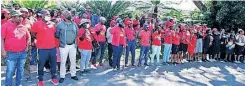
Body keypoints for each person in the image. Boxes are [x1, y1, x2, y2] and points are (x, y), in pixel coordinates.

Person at [2, 10, 30, 86]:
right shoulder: (5, 26)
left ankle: (19, 84)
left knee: (20, 70)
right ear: (13, 17)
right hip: (11, 53)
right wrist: (3, 51)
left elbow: (28, 37)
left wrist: (27, 46)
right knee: (10, 71)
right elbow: (1, 39)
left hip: (22, 53)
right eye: (19, 16)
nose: (21, 18)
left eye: (21, 16)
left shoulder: (23, 26)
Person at [31, 10, 59, 86]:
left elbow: (54, 34)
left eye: (49, 14)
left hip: (52, 48)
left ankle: (54, 78)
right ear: (42, 15)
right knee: (41, 64)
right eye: (46, 14)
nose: (48, 16)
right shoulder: (36, 24)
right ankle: (40, 79)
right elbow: (33, 33)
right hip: (42, 48)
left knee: (53, 64)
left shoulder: (53, 24)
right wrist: (38, 39)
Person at [55, 10, 79, 83]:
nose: (69, 15)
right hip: (63, 46)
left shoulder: (74, 24)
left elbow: (77, 33)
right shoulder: (59, 25)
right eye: (67, 14)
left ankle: (73, 74)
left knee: (73, 61)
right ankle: (62, 76)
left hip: (72, 45)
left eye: (69, 14)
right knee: (63, 61)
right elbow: (57, 34)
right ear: (64, 16)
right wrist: (63, 40)